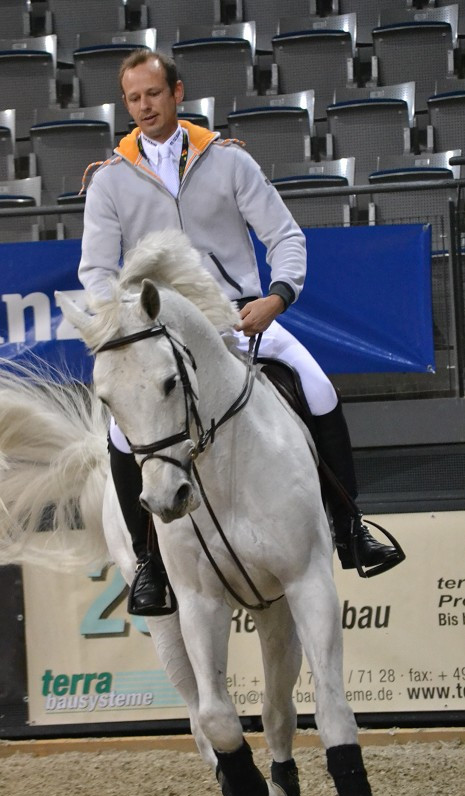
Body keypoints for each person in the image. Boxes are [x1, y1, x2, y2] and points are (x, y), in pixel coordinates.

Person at [79, 49, 399, 615]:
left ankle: (351, 527)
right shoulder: (108, 181)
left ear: (177, 94)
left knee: (319, 388)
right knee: (124, 434)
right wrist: (127, 320)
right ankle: (150, 562)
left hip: (236, 317)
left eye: (154, 93)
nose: (145, 106)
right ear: (126, 105)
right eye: (134, 98)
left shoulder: (227, 161)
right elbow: (96, 272)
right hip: (159, 330)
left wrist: (276, 298)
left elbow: (286, 237)